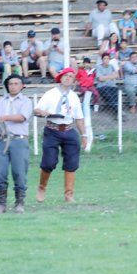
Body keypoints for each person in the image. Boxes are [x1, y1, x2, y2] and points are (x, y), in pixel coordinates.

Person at [34, 68, 87, 204]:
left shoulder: (74, 97)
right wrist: (42, 112)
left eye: (71, 76)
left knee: (72, 162)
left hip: (68, 129)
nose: (68, 78)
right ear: (60, 77)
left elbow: (79, 118)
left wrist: (84, 135)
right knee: (49, 162)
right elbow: (37, 110)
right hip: (52, 130)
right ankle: (42, 187)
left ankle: (69, 194)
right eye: (66, 76)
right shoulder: (50, 94)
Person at [0, 74, 33, 213]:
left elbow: (22, 117)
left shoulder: (26, 101)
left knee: (19, 171)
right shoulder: (0, 101)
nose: (13, 86)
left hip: (18, 140)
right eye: (10, 84)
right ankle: (1, 204)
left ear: (22, 86)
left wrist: (2, 117)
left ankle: (19, 202)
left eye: (16, 83)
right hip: (2, 140)